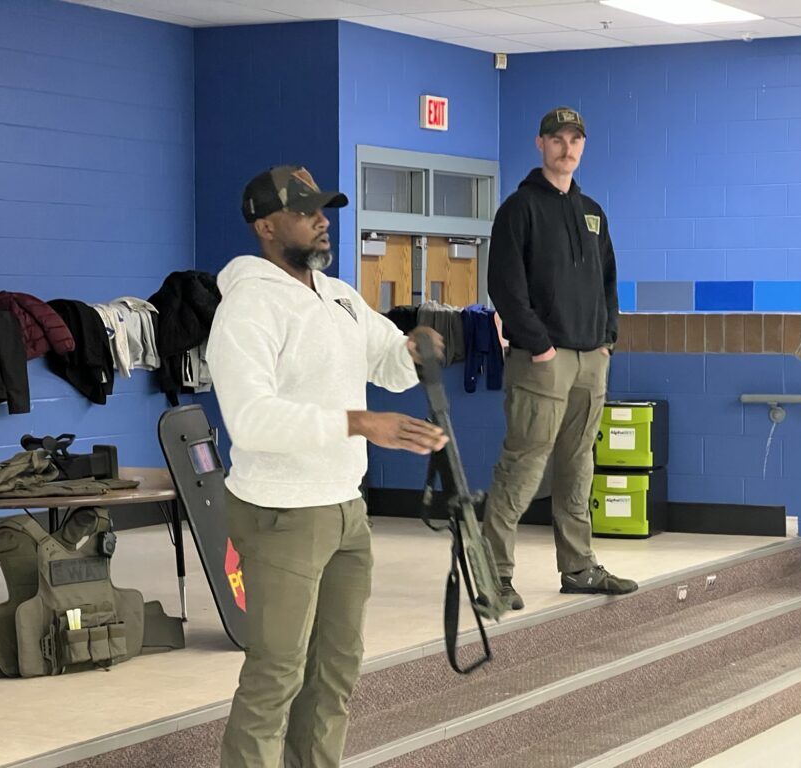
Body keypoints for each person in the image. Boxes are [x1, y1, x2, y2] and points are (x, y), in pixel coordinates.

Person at [206, 165, 447, 768]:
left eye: (325, 209)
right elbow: (253, 419)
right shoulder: (248, 307)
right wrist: (363, 423)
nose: (322, 221)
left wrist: (417, 350)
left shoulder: (339, 295)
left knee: (335, 674)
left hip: (345, 507)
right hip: (281, 513)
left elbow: (388, 363)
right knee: (276, 675)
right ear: (264, 225)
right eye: (305, 210)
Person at [482, 106, 637, 612]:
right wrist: (541, 344)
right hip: (542, 360)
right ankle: (494, 577)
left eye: (574, 139)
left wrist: (606, 338)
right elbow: (506, 287)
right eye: (556, 139)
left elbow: (608, 281)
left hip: (591, 358)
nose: (566, 147)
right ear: (540, 144)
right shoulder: (519, 209)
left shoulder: (592, 211)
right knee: (524, 467)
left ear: (583, 147)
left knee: (578, 465)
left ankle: (579, 567)